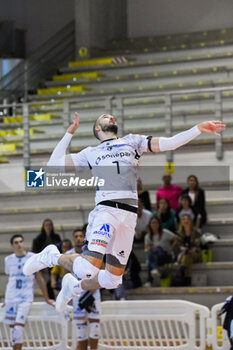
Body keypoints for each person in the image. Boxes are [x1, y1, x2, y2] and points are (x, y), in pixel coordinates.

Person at [22, 112, 225, 312]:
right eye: (104, 116)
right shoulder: (90, 153)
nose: (110, 117)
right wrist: (69, 133)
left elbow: (170, 143)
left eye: (112, 116)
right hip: (106, 211)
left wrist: (198, 128)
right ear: (97, 128)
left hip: (129, 216)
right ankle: (51, 257)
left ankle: (74, 288)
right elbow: (53, 165)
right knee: (88, 269)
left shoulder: (132, 142)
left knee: (112, 279)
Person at [3, 234, 54, 350]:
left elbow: (39, 279)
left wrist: (46, 298)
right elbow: (10, 279)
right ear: (12, 246)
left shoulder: (32, 257)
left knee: (18, 328)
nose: (19, 244)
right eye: (16, 242)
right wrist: (6, 299)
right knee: (13, 332)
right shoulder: (8, 260)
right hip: (11, 298)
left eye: (21, 241)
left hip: (25, 299)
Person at [66, 228, 101, 350]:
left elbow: (99, 271)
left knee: (95, 326)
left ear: (84, 238)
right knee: (80, 329)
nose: (79, 238)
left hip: (93, 292)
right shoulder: (68, 254)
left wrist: (92, 291)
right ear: (73, 238)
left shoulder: (92, 252)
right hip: (77, 294)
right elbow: (66, 276)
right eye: (76, 236)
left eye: (81, 236)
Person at [32, 218, 61, 299]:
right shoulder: (38, 239)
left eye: (50, 225)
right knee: (47, 283)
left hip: (55, 263)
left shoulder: (56, 237)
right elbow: (35, 253)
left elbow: (60, 250)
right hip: (43, 264)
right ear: (43, 227)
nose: (48, 227)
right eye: (46, 225)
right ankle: (50, 298)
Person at [144, 216, 177, 286]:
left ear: (159, 224)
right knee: (151, 253)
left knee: (152, 257)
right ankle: (154, 270)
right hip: (155, 256)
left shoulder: (164, 232)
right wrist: (150, 247)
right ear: (150, 225)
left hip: (165, 255)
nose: (154, 224)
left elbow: (176, 238)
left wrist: (171, 248)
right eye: (152, 223)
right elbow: (147, 248)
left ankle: (149, 281)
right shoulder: (148, 236)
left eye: (156, 222)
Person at [177, 214, 201, 286]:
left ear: (191, 221)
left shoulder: (196, 232)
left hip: (195, 254)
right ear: (181, 222)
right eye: (184, 219)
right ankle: (187, 279)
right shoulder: (179, 233)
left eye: (187, 219)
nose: (186, 221)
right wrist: (186, 249)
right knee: (187, 255)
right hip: (183, 254)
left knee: (189, 254)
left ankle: (183, 270)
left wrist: (191, 249)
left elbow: (197, 245)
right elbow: (179, 246)